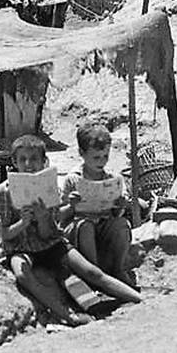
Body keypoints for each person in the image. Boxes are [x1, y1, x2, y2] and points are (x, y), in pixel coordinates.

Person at [0, 134, 141, 329]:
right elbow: (5, 235)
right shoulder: (4, 191)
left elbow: (49, 235)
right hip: (20, 246)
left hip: (49, 243)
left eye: (34, 159)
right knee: (23, 274)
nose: (28, 164)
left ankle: (139, 299)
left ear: (43, 161)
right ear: (14, 162)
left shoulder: (48, 187)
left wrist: (43, 218)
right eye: (22, 159)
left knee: (91, 271)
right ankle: (69, 316)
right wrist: (23, 222)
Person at [60, 122, 134, 287]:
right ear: (82, 153)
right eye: (96, 157)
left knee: (122, 225)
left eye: (105, 156)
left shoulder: (111, 178)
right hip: (78, 230)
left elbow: (116, 215)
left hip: (102, 226)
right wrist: (71, 205)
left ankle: (118, 269)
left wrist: (120, 205)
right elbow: (60, 216)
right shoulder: (73, 179)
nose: (102, 161)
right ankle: (94, 274)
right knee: (85, 225)